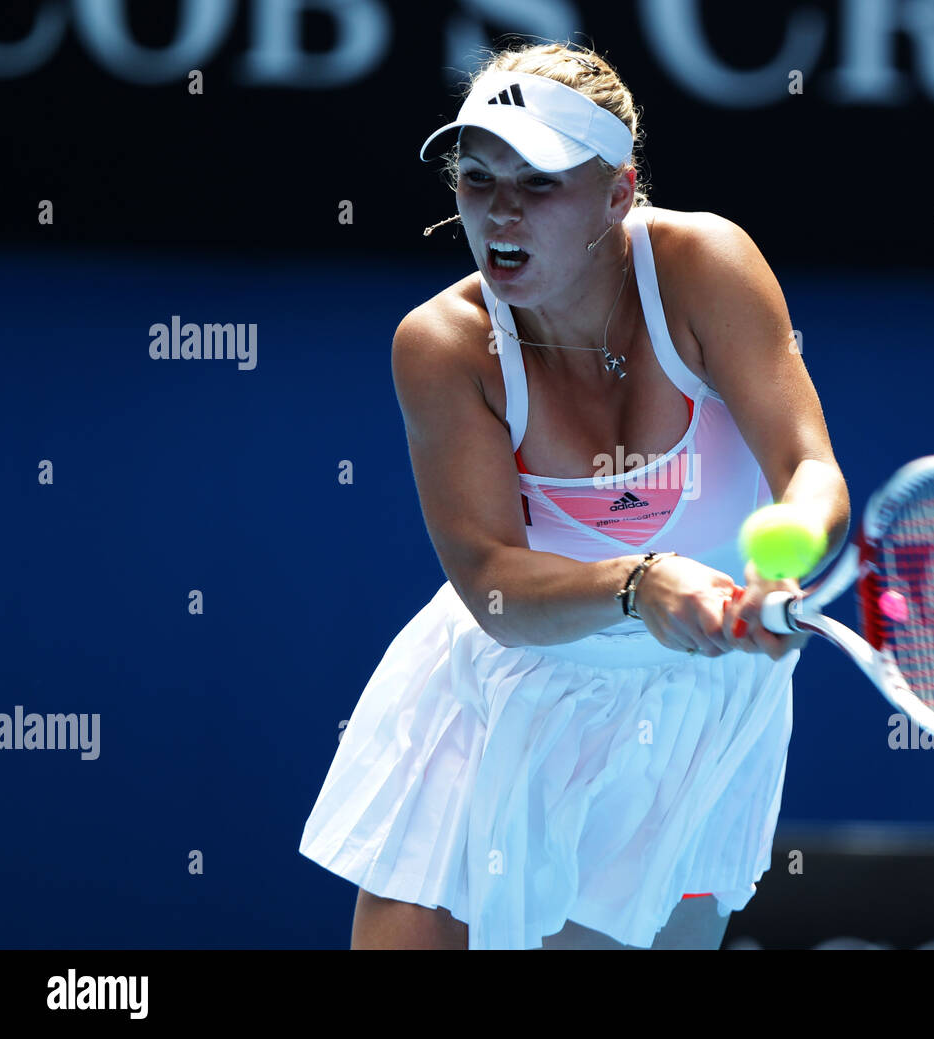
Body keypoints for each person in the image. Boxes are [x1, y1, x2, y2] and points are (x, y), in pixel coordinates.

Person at [298, 41, 850, 950]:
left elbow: (810, 468)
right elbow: (493, 587)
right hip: (496, 695)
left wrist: (787, 537)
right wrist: (643, 583)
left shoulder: (706, 265)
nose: (502, 211)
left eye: (541, 182)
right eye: (478, 179)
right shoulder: (442, 344)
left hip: (690, 722)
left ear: (619, 192)